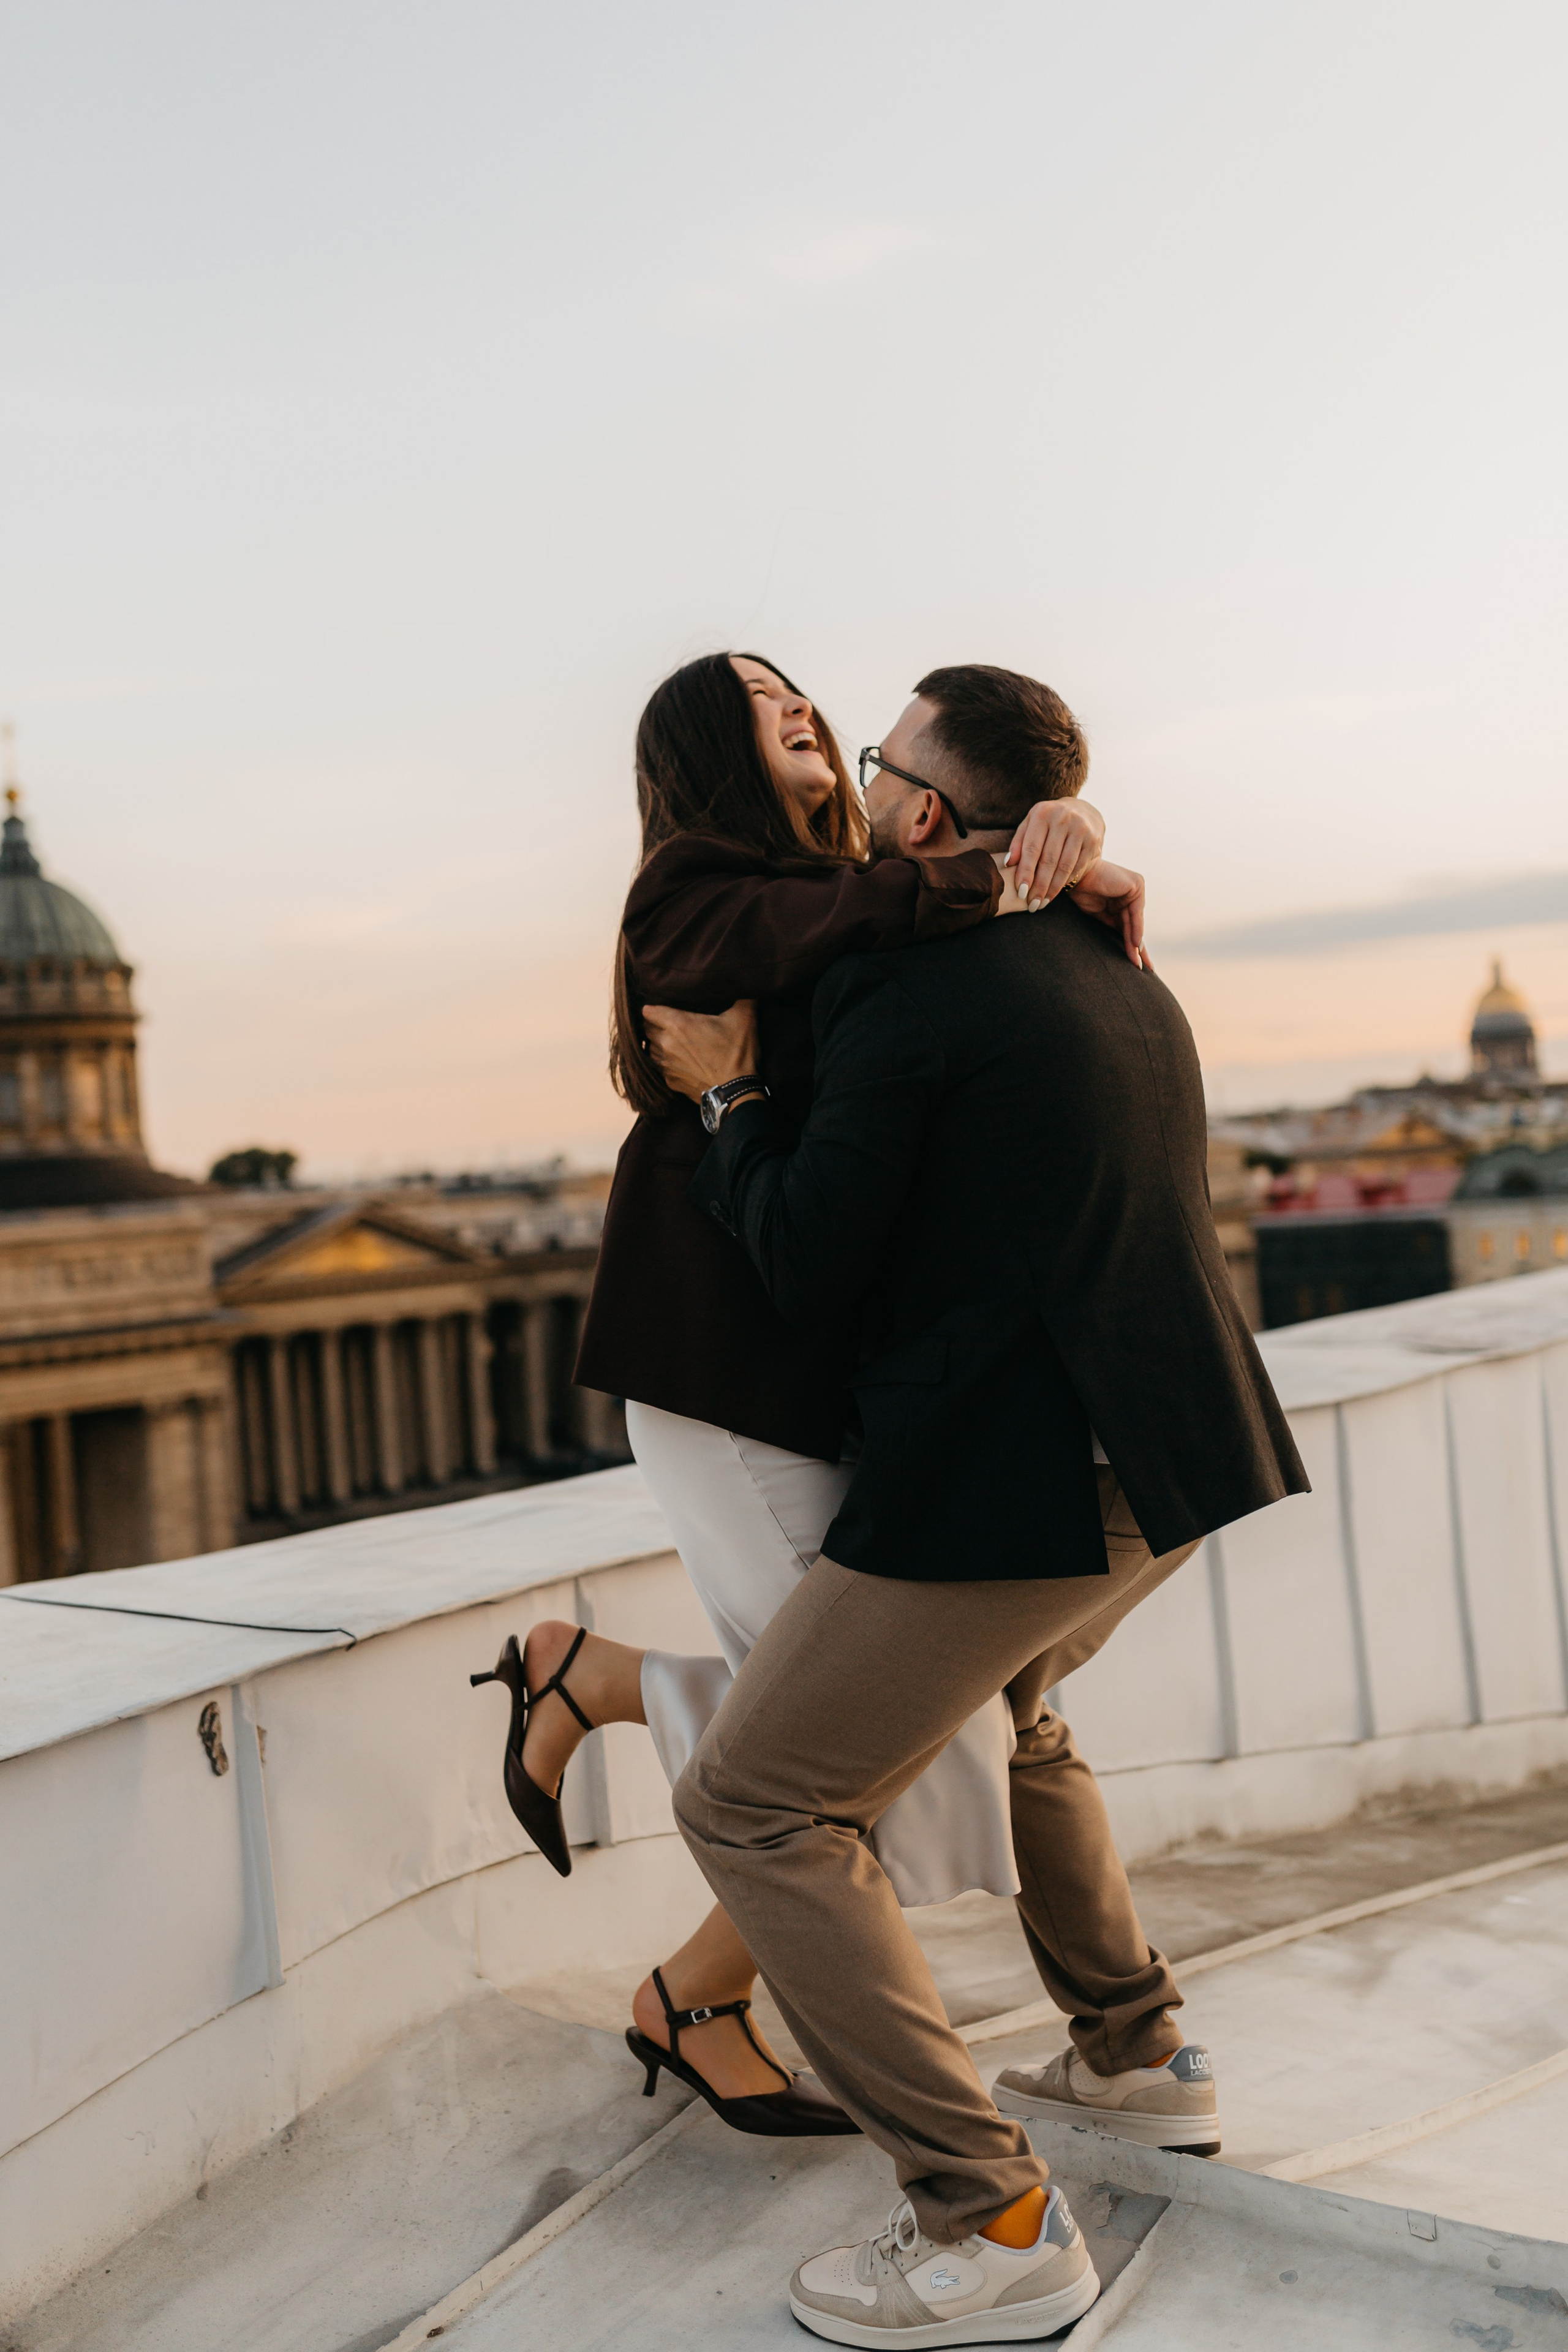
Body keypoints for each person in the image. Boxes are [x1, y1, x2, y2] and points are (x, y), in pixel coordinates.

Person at [640, 663, 1307, 2343]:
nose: (857, 778)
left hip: (1025, 1471)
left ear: (928, 816)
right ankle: (1135, 2052)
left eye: (874, 761)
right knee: (1023, 1712)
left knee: (759, 1807)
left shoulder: (904, 995)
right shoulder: (1110, 952)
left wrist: (727, 1098)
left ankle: (987, 2213)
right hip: (1187, 1455)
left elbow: (800, 1255)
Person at [469, 649, 1146, 2135]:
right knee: (882, 1760)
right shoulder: (692, 893)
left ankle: (607, 1715)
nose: (801, 704)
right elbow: (863, 907)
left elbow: (907, 915)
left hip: (811, 1378)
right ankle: (697, 1987)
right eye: (756, 694)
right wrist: (1024, 863)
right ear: (709, 744)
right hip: (720, 1380)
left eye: (803, 691)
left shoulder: (846, 885)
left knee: (887, 1736)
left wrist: (1058, 833)